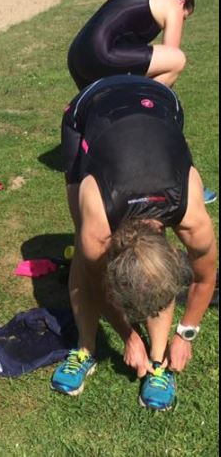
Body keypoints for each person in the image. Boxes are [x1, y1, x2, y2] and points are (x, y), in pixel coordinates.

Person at [52, 75, 217, 411]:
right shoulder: (98, 218)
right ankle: (86, 347)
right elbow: (98, 280)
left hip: (160, 103)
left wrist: (186, 334)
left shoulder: (192, 217)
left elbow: (204, 277)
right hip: (92, 107)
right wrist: (127, 335)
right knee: (86, 255)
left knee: (152, 278)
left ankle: (157, 364)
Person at [67, 0, 195, 90]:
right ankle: (143, 103)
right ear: (182, 2)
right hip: (100, 53)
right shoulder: (173, 4)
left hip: (77, 57)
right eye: (184, 17)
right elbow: (171, 53)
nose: (181, 21)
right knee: (177, 59)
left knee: (103, 106)